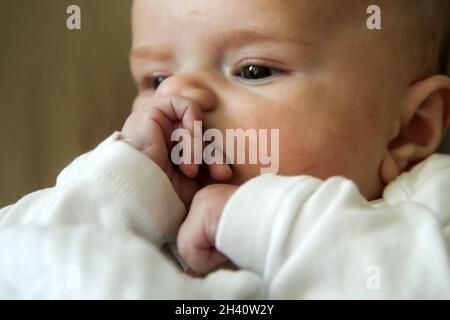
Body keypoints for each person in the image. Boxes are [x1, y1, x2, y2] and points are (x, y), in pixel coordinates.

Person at [0, 0, 449, 298]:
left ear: (408, 129)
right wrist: (122, 181)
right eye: (156, 79)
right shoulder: (131, 210)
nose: (176, 96)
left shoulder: (428, 208)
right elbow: (15, 256)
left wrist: (251, 216)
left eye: (253, 69)